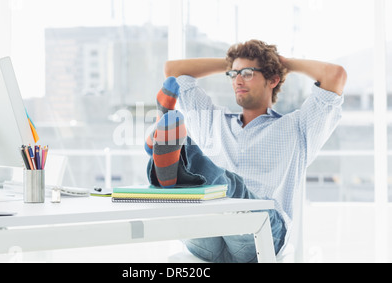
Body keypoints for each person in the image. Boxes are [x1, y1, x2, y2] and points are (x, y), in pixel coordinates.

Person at [144, 39, 347, 263]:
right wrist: (233, 64)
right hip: (208, 235)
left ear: (273, 79)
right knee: (200, 203)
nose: (238, 80)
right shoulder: (213, 121)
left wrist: (283, 63)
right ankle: (174, 163)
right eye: (233, 74)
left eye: (248, 73)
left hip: (260, 234)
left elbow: (335, 75)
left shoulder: (299, 128)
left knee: (230, 186)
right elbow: (174, 71)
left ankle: (172, 158)